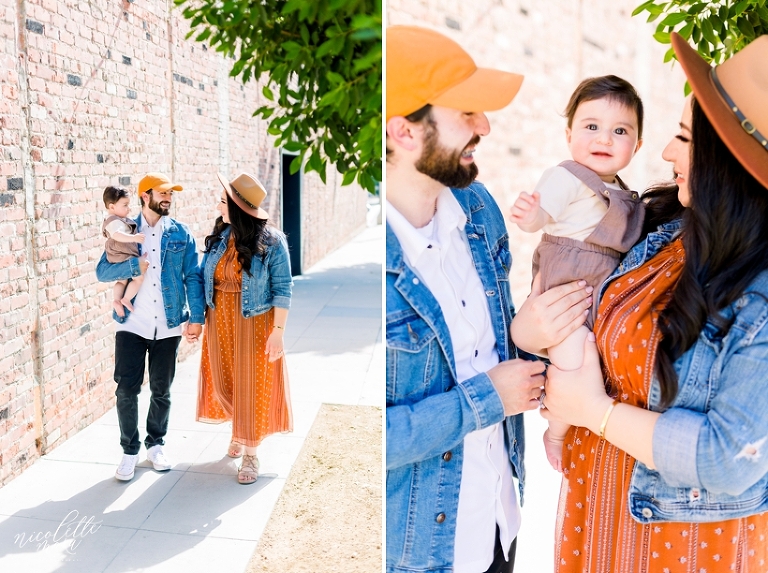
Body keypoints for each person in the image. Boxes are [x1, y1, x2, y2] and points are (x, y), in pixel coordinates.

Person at [518, 33, 768, 572]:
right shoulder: (661, 226)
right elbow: (574, 295)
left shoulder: (760, 290)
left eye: (684, 137)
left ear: (728, 157)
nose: (664, 153)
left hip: (677, 545)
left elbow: (730, 456)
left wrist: (592, 411)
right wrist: (530, 330)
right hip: (594, 515)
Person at [385, 26, 593, 573]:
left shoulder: (478, 210)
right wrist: (485, 400)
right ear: (404, 132)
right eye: (466, 114)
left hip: (500, 521)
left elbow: (505, 346)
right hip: (422, 552)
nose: (485, 127)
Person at [509, 75, 645, 472]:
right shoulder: (566, 177)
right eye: (591, 127)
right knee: (576, 355)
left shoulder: (623, 192)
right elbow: (542, 215)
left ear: (635, 147)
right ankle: (556, 427)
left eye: (619, 131)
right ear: (569, 135)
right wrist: (530, 215)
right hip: (569, 280)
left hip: (599, 282)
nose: (604, 138)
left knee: (596, 355)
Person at [96, 173, 205, 482]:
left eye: (171, 192)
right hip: (132, 323)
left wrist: (196, 317)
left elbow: (193, 277)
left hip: (169, 325)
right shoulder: (125, 230)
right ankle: (129, 451)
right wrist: (135, 267)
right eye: (163, 192)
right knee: (126, 391)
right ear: (145, 196)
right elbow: (102, 271)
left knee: (161, 391)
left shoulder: (181, 234)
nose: (168, 197)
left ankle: (155, 444)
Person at [196, 172, 293, 485]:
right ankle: (240, 428)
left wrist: (278, 330)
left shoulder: (272, 242)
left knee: (251, 387)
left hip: (255, 321)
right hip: (218, 319)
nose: (219, 205)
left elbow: (283, 287)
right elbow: (201, 279)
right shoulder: (220, 237)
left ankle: (250, 453)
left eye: (223, 201)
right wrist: (195, 318)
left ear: (238, 207)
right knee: (225, 385)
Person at [101, 185, 146, 317]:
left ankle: (117, 301)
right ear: (112, 207)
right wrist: (134, 238)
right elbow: (117, 235)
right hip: (121, 255)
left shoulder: (119, 220)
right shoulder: (112, 221)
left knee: (122, 281)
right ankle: (125, 299)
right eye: (125, 205)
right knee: (139, 278)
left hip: (122, 255)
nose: (129, 208)